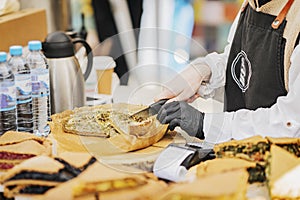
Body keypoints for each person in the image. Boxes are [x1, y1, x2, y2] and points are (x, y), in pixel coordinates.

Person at [155, 0, 300, 144]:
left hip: (281, 162)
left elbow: (291, 122)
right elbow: (242, 65)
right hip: (240, 155)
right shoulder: (251, 5)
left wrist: (204, 124)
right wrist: (204, 72)